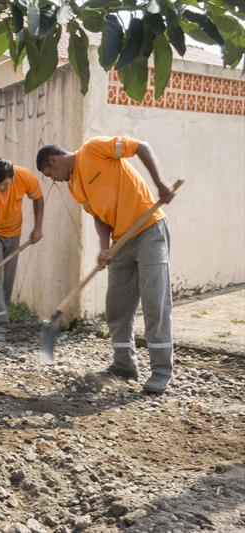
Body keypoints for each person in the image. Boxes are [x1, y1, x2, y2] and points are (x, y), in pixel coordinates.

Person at [36, 136, 175, 394]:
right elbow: (99, 217)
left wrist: (160, 183)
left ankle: (161, 371)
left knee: (155, 303)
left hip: (149, 229)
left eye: (50, 174)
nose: (54, 179)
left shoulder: (94, 148)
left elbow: (142, 146)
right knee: (117, 306)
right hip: (120, 241)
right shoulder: (74, 185)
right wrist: (104, 247)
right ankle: (124, 365)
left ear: (53, 160)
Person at [0, 159, 44, 343]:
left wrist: (37, 227)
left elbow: (38, 198)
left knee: (8, 279)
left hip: (14, 232)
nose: (3, 189)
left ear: (12, 178)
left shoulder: (24, 177)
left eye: (6, 184)